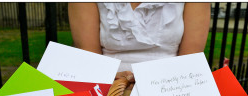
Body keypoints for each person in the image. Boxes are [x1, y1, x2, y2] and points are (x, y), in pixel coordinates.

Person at [68, 3, 211, 81]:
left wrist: (154, 83)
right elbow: (89, 56)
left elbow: (190, 58)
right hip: (108, 87)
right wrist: (115, 81)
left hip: (171, 85)